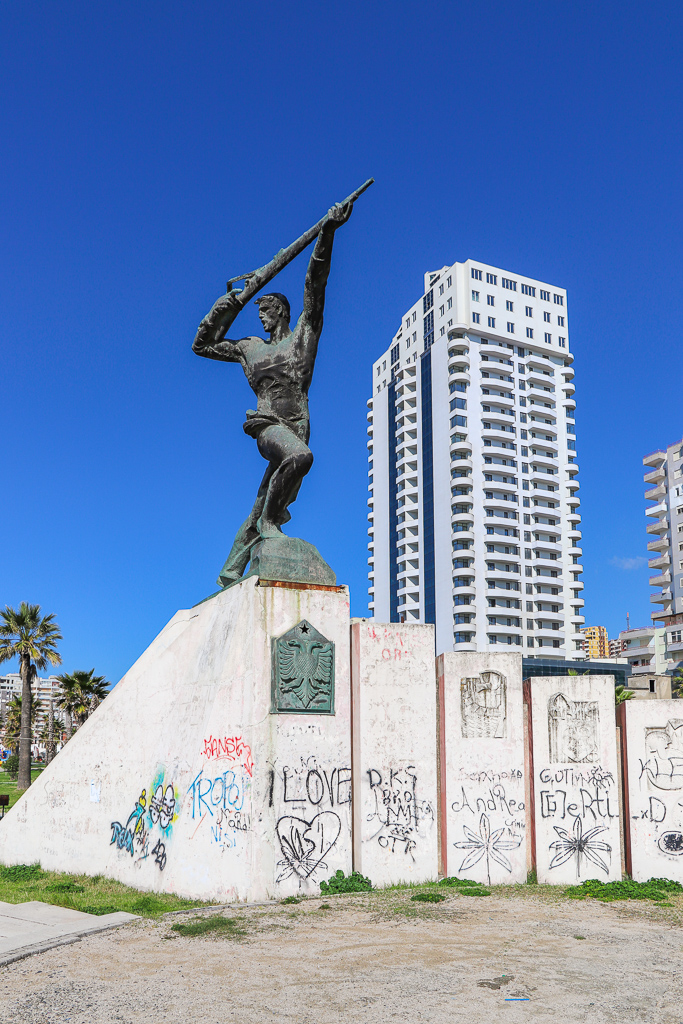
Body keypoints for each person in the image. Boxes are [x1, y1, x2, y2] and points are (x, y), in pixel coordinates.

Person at [192, 200, 353, 586]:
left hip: (297, 423)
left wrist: (326, 232)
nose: (260, 316)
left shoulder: (302, 338)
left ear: (280, 311)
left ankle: (232, 567)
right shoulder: (250, 348)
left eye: (265, 310)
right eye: (257, 310)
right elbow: (203, 345)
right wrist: (225, 307)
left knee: (267, 492)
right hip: (267, 425)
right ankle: (268, 525)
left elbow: (316, 284)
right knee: (299, 458)